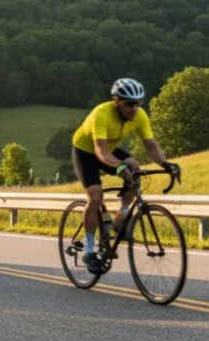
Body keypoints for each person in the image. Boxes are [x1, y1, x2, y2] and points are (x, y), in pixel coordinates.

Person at [70, 78, 179, 273]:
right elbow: (100, 151)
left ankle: (120, 218)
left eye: (138, 103)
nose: (134, 108)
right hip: (86, 151)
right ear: (117, 102)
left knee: (134, 169)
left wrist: (165, 164)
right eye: (129, 104)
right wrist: (119, 167)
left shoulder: (140, 116)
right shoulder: (101, 114)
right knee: (95, 196)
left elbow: (150, 144)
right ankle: (89, 247)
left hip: (110, 149)